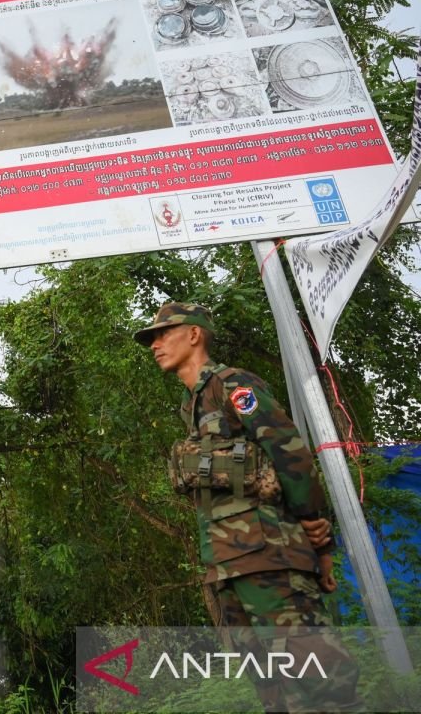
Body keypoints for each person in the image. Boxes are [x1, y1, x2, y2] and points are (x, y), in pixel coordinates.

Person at [134, 302, 360, 712]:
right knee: (276, 691)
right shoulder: (191, 407)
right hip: (228, 567)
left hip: (271, 556)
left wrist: (315, 527)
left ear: (194, 334)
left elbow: (289, 450)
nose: (155, 344)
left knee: (322, 681)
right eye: (152, 338)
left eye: (163, 334)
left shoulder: (232, 385)